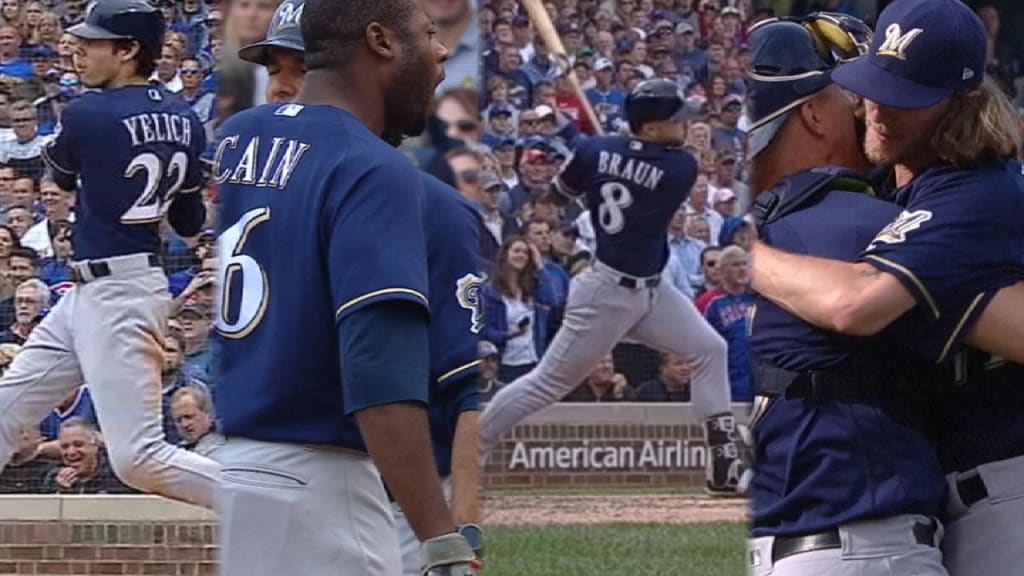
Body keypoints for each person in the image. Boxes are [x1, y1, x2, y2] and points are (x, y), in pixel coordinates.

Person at [745, 4, 1024, 575]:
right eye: (871, 87)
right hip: (962, 484)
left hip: (1006, 483)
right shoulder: (898, 189)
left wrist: (745, 257)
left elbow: (856, 303)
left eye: (908, 97)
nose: (879, 109)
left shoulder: (972, 191)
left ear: (961, 102)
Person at [210, 0, 476, 574]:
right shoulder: (375, 167)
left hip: (238, 468)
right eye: (428, 34)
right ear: (380, 41)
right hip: (322, 486)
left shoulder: (240, 134)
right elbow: (377, 372)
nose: (442, 50)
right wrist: (439, 535)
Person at [479, 78, 750, 496]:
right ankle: (468, 452)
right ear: (653, 127)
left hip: (654, 290)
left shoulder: (594, 151)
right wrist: (589, 141)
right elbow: (620, 164)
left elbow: (555, 195)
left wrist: (586, 143)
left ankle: (722, 462)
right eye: (675, 120)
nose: (684, 125)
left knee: (708, 349)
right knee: (548, 383)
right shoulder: (680, 169)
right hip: (606, 292)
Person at [0, 0, 220, 509]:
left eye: (94, 42)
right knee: (6, 411)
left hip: (119, 295)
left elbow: (59, 173)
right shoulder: (186, 118)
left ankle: (276, 508)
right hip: (100, 289)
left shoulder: (88, 111)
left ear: (128, 50)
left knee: (138, 457)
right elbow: (188, 222)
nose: (78, 49)